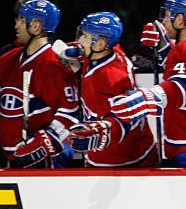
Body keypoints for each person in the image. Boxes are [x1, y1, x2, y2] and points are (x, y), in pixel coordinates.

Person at [109, 0, 186, 167]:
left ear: (179, 19)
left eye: (166, 16)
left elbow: (184, 86)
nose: (164, 22)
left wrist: (148, 97)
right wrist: (165, 49)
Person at [65, 12, 157, 167]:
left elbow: (125, 118)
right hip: (130, 151)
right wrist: (75, 50)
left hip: (123, 161)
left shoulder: (111, 78)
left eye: (85, 36)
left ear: (100, 43)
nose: (80, 40)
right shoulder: (111, 51)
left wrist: (101, 134)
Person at [0, 0, 79, 168]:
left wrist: (41, 146)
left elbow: (70, 114)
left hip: (40, 165)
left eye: (21, 20)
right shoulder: (8, 60)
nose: (16, 26)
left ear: (35, 26)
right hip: (6, 160)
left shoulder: (54, 66)